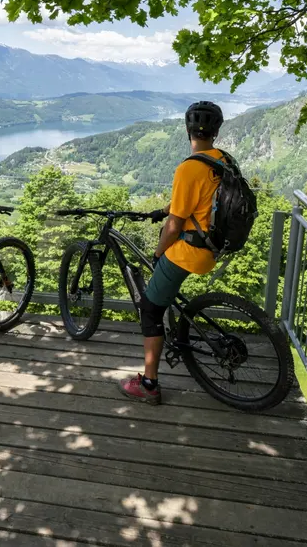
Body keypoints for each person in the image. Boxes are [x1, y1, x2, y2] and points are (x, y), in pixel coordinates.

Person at [119, 100, 225, 405]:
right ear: (216, 132)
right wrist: (165, 209)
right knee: (163, 294)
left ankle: (149, 384)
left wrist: (157, 252)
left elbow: (175, 225)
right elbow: (198, 201)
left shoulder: (189, 168)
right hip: (214, 245)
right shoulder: (222, 161)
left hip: (190, 250)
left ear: (188, 129)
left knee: (149, 308)